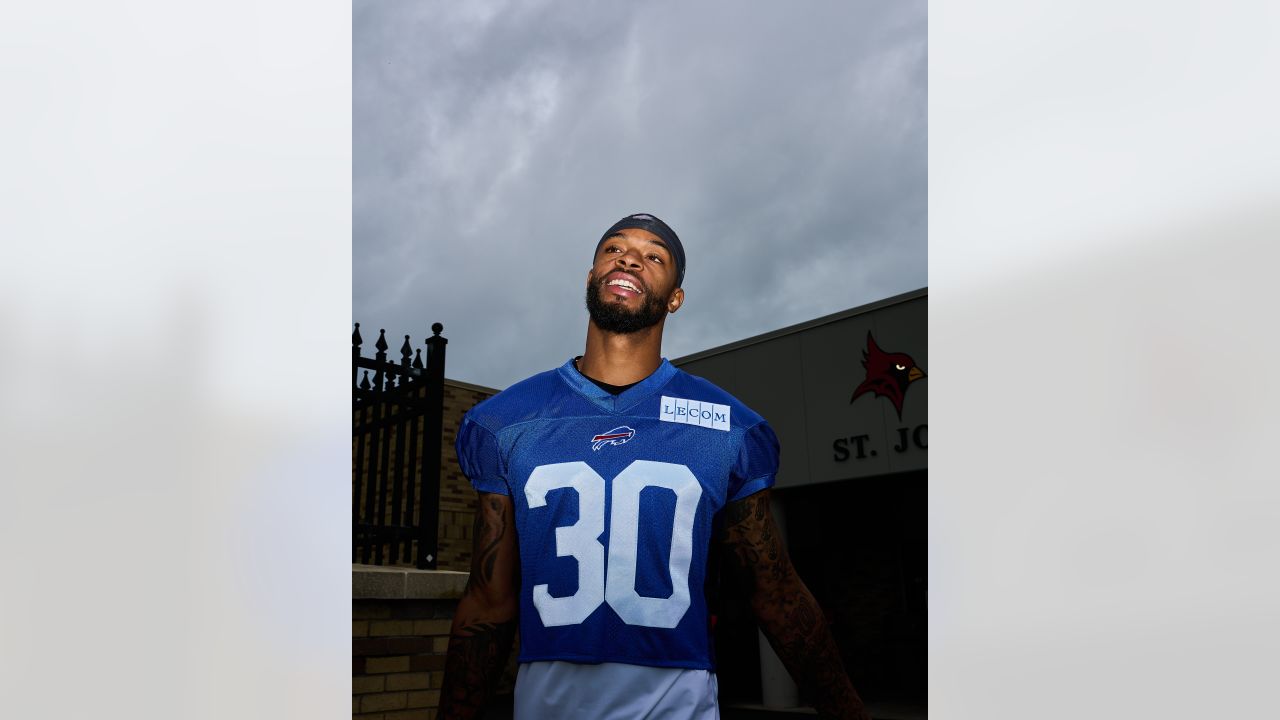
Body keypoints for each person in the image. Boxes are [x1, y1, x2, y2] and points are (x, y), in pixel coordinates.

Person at [440, 213, 869, 719]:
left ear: (675, 299)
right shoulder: (505, 421)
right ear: (591, 275)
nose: (629, 258)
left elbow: (774, 592)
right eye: (614, 249)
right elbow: (489, 600)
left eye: (654, 256)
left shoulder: (728, 429)